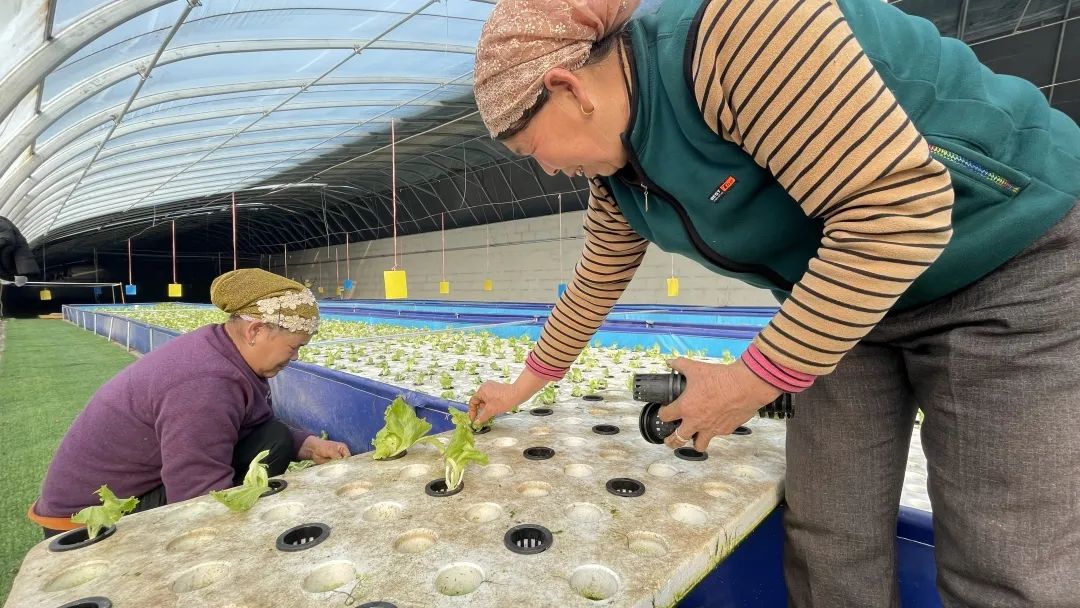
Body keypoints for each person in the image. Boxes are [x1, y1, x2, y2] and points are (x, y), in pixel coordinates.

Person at [467, 0, 1080, 606]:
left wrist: (747, 383)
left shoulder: (742, 32)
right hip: (849, 301)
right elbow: (597, 275)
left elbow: (896, 216)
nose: (546, 168)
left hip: (1004, 263)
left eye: (532, 149)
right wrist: (523, 385)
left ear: (568, 88)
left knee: (1002, 558)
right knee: (830, 535)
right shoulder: (619, 173)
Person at [31, 269, 350, 536]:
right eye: (293, 346)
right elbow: (195, 492)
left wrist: (307, 445)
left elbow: (252, 425)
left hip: (133, 488)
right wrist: (240, 531)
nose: (294, 357)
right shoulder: (206, 382)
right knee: (236, 487)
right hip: (85, 521)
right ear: (255, 330)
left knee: (276, 439)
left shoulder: (222, 349)